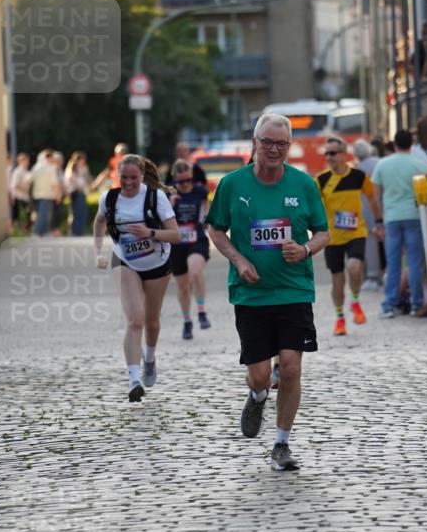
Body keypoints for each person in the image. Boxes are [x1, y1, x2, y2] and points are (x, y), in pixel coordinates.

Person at [206, 113, 329, 472]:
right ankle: (257, 395)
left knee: (290, 368)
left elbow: (323, 232)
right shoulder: (232, 184)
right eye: (268, 142)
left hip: (294, 289)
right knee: (261, 374)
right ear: (255, 143)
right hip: (252, 293)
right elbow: (215, 230)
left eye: (281, 143)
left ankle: (281, 444)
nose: (274, 149)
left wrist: (305, 249)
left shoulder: (304, 185)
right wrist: (239, 260)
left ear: (289, 146)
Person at [94, 153, 180, 401]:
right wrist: (98, 252)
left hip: (157, 262)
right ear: (117, 176)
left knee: (152, 321)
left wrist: (149, 232)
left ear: (142, 176)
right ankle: (133, 380)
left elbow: (175, 235)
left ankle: (149, 358)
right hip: (124, 260)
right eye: (124, 178)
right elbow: (99, 222)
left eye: (133, 177)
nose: (129, 182)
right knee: (135, 320)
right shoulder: (109, 199)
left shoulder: (156, 197)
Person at [315, 136, 383, 336]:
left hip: (356, 232)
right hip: (332, 237)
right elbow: (312, 208)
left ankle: (355, 300)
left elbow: (372, 197)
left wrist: (378, 221)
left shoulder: (358, 176)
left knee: (354, 267)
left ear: (344, 154)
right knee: (338, 280)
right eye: (326, 153)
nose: (329, 156)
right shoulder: (321, 180)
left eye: (333, 153)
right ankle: (340, 318)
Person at [372, 129, 427, 319]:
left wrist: (379, 219)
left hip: (392, 217)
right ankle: (416, 303)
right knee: (414, 262)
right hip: (414, 215)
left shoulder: (383, 164)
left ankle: (389, 304)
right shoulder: (419, 164)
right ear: (411, 144)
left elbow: (376, 195)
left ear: (394, 144)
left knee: (393, 262)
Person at [169, 159, 211, 339]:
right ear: (174, 180)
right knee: (183, 287)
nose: (185, 185)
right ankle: (187, 321)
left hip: (196, 239)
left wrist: (207, 221)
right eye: (180, 182)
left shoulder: (200, 191)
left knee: (195, 272)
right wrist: (170, 204)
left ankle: (201, 311)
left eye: (188, 180)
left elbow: (206, 209)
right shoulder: (167, 194)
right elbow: (159, 220)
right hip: (177, 243)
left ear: (192, 178)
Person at [352, 138, 385, 289]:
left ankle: (373, 276)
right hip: (385, 208)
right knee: (388, 242)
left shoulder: (357, 169)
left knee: (371, 244)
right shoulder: (381, 162)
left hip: (366, 211)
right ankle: (391, 273)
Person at [31, 149, 62, 237]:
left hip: (36, 194)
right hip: (47, 194)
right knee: (43, 214)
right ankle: (38, 231)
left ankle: (40, 232)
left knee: (40, 213)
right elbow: (55, 183)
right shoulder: (51, 168)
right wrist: (58, 195)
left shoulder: (36, 167)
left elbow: (29, 180)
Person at [64, 151, 91, 236]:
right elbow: (70, 178)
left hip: (82, 192)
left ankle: (80, 231)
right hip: (76, 192)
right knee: (76, 212)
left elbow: (87, 178)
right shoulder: (72, 166)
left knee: (83, 212)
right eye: (83, 159)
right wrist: (79, 187)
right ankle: (74, 232)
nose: (84, 161)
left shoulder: (84, 168)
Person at [10, 152, 33, 231]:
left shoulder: (26, 171)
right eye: (26, 161)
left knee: (28, 215)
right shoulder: (17, 171)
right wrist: (25, 189)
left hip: (25, 197)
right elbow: (15, 185)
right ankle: (19, 231)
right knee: (20, 216)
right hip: (19, 197)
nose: (27, 163)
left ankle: (25, 230)